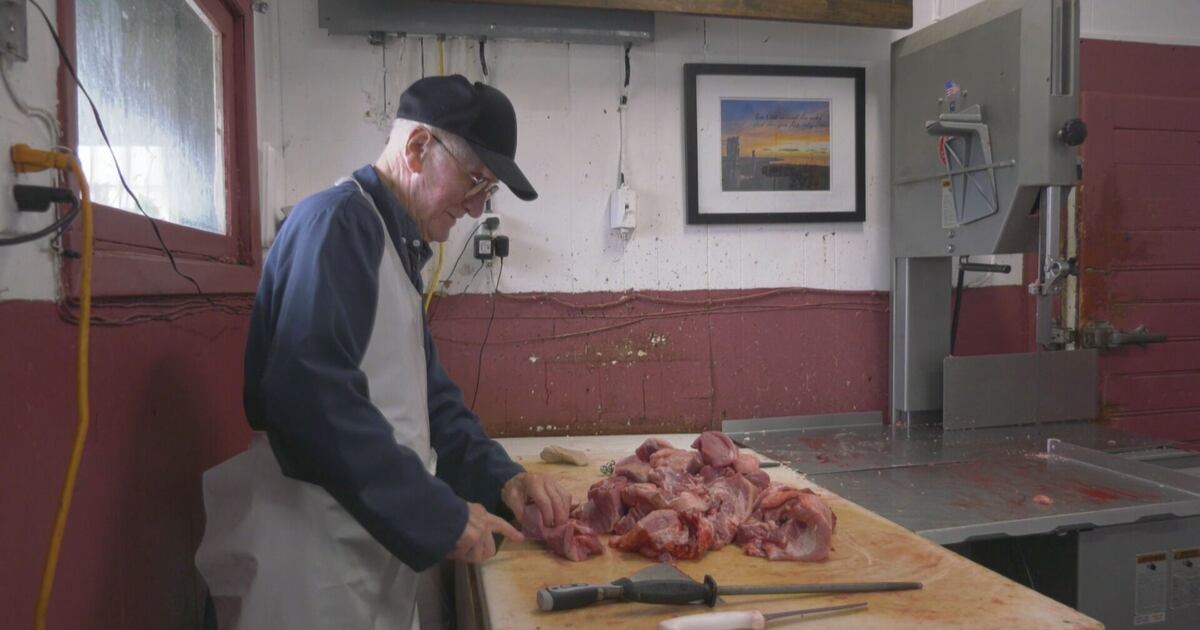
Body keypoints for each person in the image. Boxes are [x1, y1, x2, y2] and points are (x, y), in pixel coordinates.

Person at [195, 75, 572, 630]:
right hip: (309, 570)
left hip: (362, 560)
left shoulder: (395, 246)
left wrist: (503, 479)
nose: (473, 212)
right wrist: (435, 513)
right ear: (419, 148)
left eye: (485, 193)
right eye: (474, 182)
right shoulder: (338, 225)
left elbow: (430, 403)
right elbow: (308, 399)